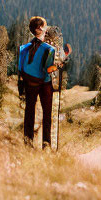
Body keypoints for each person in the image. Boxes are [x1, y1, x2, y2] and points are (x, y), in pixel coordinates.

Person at [18, 15, 59, 148]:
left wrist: (21, 87)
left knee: (29, 111)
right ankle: (46, 144)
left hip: (29, 83)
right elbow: (48, 70)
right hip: (44, 84)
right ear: (42, 28)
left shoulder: (23, 48)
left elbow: (20, 69)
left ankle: (27, 143)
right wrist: (57, 66)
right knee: (47, 114)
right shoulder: (50, 49)